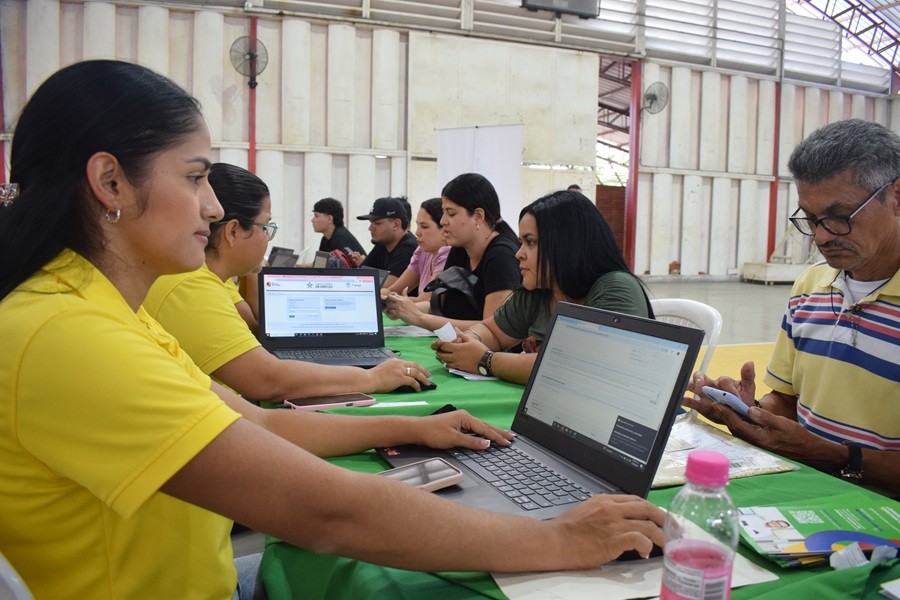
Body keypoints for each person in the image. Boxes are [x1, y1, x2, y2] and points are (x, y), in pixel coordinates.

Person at [0, 60, 665, 599]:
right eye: (196, 177)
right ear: (110, 180)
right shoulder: (69, 334)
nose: (210, 206)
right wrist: (556, 540)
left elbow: (257, 425)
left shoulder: (100, 312)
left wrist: (412, 425)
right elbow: (326, 513)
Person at [684, 119, 900, 497]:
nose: (821, 236)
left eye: (839, 218)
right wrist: (751, 410)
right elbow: (788, 401)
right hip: (802, 489)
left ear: (896, 197)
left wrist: (838, 457)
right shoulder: (810, 288)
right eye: (811, 219)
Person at [144, 162, 434, 400]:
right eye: (266, 226)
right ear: (233, 231)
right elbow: (267, 380)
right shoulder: (191, 286)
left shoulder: (207, 279)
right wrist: (370, 377)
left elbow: (258, 330)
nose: (270, 237)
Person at [431, 190, 653, 384]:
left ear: (567, 245)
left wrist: (485, 360)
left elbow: (574, 367)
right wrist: (467, 342)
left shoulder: (614, 288)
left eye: (531, 242)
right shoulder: (538, 290)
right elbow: (492, 331)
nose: (519, 253)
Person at [383, 173, 522, 331]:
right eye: (443, 212)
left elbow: (492, 329)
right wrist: (402, 309)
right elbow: (439, 307)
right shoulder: (459, 249)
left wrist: (418, 317)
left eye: (451, 213)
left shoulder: (502, 256)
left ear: (478, 216)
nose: (443, 221)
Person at [381, 197, 451, 302]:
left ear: (444, 229)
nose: (417, 232)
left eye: (424, 227)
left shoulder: (448, 255)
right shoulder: (422, 252)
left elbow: (424, 301)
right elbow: (394, 290)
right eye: (417, 225)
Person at [351, 196, 418, 289]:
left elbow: (386, 288)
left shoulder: (409, 248)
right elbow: (360, 275)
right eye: (370, 222)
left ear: (396, 224)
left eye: (377, 223)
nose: (370, 228)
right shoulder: (383, 243)